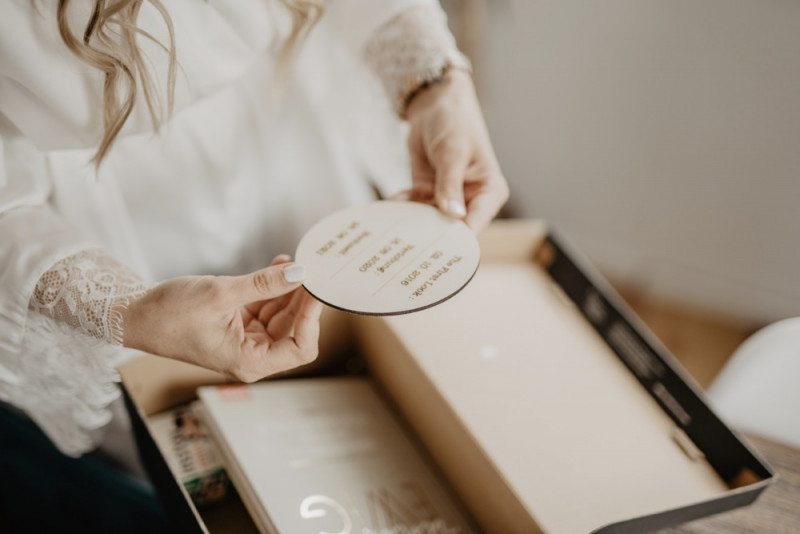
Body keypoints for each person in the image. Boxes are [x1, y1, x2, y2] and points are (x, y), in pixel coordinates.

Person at [0, 0, 508, 530]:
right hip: (100, 209)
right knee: (193, 450)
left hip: (282, 124)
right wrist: (126, 309)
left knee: (359, 368)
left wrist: (433, 83)